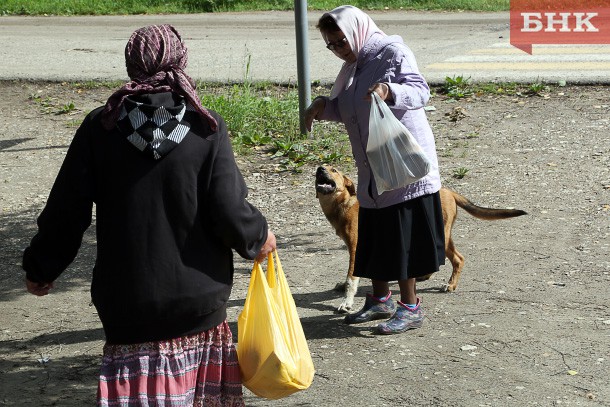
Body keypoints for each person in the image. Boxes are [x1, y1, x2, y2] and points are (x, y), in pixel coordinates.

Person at [22, 24, 276, 406]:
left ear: (132, 64)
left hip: (127, 302)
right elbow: (228, 208)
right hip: (198, 300)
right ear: (179, 59)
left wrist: (42, 267)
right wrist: (258, 238)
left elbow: (67, 209)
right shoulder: (205, 126)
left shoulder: (101, 126)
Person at [305, 6, 445, 335]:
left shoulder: (391, 53)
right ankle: (380, 299)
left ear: (356, 30)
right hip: (371, 167)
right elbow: (351, 107)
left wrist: (389, 90)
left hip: (401, 165)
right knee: (373, 238)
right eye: (332, 45)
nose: (340, 49)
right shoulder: (354, 66)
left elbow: (421, 91)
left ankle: (410, 307)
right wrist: (324, 106)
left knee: (399, 240)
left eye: (341, 40)